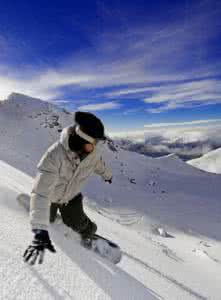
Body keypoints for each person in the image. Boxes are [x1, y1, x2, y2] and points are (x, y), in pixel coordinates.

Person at [23, 111, 112, 265]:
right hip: (51, 197)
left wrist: (107, 175)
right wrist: (39, 230)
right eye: (94, 142)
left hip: (71, 197)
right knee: (47, 219)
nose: (97, 146)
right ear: (82, 141)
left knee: (78, 224)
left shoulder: (92, 154)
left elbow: (99, 165)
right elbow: (41, 193)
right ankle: (47, 215)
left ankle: (89, 231)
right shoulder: (54, 155)